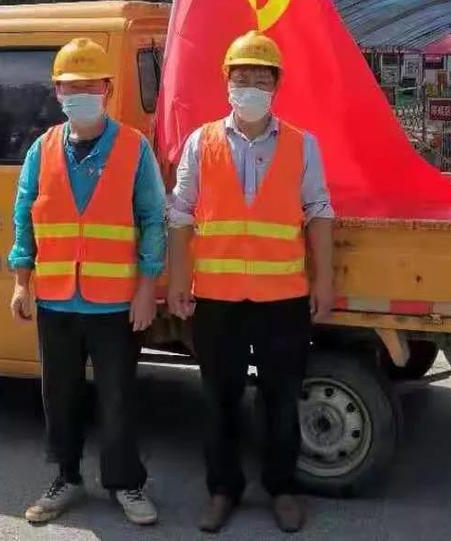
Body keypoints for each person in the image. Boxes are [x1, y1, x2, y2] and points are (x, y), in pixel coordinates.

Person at [167, 30, 335, 534]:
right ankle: (223, 490)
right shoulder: (201, 142)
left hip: (283, 299)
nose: (251, 89)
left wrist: (324, 281)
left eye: (262, 80)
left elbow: (319, 211)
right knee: (219, 399)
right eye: (242, 79)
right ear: (227, 83)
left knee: (281, 399)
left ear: (276, 86)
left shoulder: (302, 145)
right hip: (216, 299)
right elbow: (181, 213)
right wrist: (179, 280)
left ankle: (282, 489)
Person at [9, 37, 164, 528]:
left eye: (89, 86)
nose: (80, 95)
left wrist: (146, 289)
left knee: (118, 398)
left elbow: (153, 220)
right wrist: (21, 281)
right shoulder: (43, 149)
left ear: (108, 89)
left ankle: (126, 482)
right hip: (56, 301)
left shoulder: (134, 148)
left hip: (114, 304)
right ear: (57, 91)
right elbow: (24, 215)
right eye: (70, 87)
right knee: (60, 396)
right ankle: (66, 477)